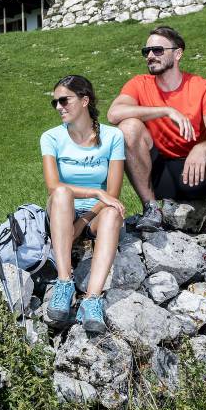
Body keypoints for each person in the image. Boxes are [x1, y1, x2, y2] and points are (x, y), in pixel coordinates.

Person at [107, 26, 206, 286]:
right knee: (127, 128)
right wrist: (165, 111)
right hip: (157, 174)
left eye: (158, 50)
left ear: (178, 53)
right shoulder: (139, 84)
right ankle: (152, 209)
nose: (150, 55)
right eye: (146, 51)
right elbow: (113, 114)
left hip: (195, 173)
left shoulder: (202, 87)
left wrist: (202, 148)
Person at [41, 75, 126, 332]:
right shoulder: (50, 137)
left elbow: (112, 192)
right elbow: (54, 186)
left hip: (95, 213)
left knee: (112, 213)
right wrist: (95, 193)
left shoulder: (113, 137)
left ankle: (92, 300)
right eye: (55, 102)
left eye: (64, 100)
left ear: (85, 100)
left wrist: (84, 221)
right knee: (63, 194)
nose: (59, 107)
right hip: (61, 209)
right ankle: (64, 282)